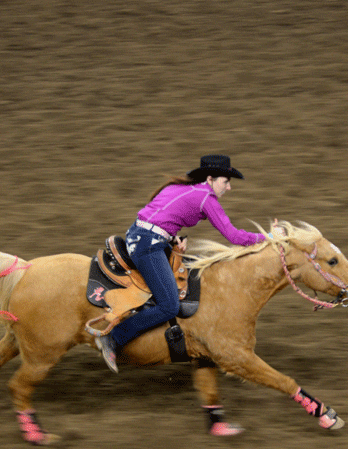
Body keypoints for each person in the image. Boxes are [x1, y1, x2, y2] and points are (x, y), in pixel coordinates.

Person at [96, 154, 268, 371]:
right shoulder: (207, 198)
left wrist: (169, 236)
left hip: (139, 234)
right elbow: (235, 237)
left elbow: (157, 212)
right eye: (226, 181)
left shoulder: (180, 187)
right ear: (210, 179)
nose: (229, 187)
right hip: (148, 245)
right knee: (169, 306)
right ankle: (113, 338)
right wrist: (269, 238)